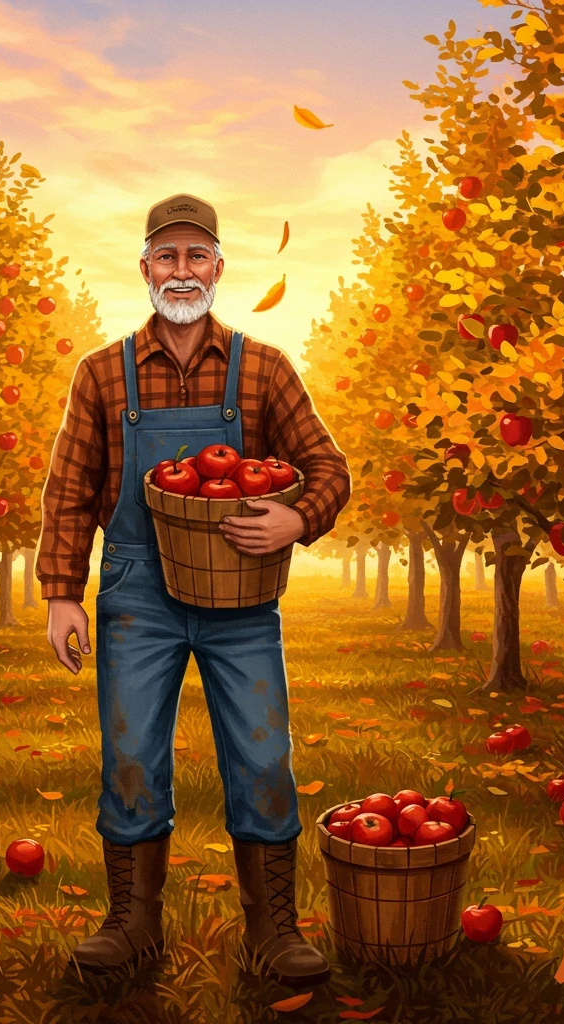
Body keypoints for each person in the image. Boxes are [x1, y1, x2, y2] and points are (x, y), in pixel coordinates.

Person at [37, 193, 351, 986]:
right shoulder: (102, 374)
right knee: (132, 754)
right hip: (138, 593)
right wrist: (62, 591)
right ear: (146, 268)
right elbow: (71, 488)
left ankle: (273, 929)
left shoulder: (265, 368)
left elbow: (328, 468)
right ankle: (133, 921)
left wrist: (295, 521)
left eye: (196, 256)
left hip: (242, 598)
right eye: (167, 257)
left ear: (218, 266)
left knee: (262, 754)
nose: (183, 272)